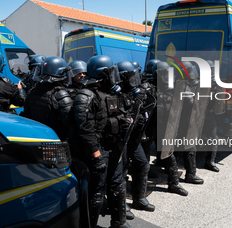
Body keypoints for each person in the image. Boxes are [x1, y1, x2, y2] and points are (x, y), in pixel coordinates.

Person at [73, 55, 131, 228]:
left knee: (117, 185)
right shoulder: (85, 95)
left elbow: (118, 114)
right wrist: (96, 155)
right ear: (102, 74)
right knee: (97, 192)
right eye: (111, 73)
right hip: (98, 150)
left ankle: (118, 222)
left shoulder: (111, 93)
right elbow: (85, 129)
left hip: (114, 147)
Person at [117, 61, 155, 215]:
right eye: (131, 76)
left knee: (143, 164)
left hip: (133, 137)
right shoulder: (116, 93)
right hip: (120, 139)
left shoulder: (136, 91)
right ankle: (121, 204)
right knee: (122, 170)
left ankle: (138, 199)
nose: (135, 79)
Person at [147, 60, 188, 196]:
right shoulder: (148, 89)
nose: (166, 77)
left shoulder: (171, 89)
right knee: (143, 156)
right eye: (164, 74)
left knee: (169, 156)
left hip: (164, 129)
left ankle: (173, 183)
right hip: (149, 129)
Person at [22, 56, 73, 142]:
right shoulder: (60, 94)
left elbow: (27, 115)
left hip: (36, 138)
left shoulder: (33, 91)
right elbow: (69, 124)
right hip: (55, 140)